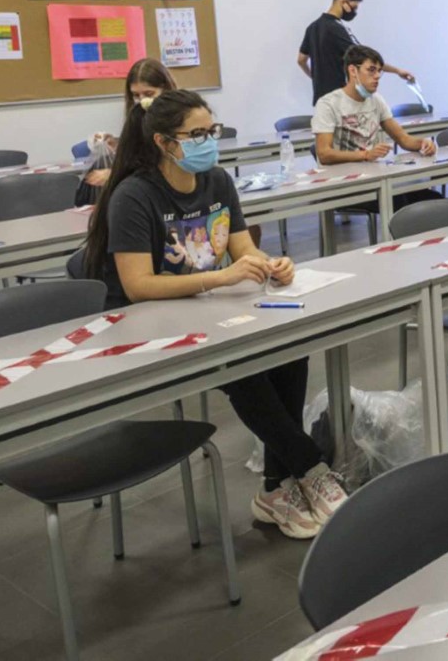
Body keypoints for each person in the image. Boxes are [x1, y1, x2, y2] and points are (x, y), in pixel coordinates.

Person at [82, 89, 347, 540]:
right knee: (243, 366)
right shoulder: (134, 195)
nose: (208, 142)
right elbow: (137, 286)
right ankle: (310, 467)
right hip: (146, 323)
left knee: (289, 348)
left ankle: (275, 490)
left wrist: (270, 264)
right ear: (166, 143)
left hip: (202, 308)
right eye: (197, 134)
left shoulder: (218, 182)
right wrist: (220, 280)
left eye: (212, 131)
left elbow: (241, 246)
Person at [313, 44, 441, 210]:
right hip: (342, 183)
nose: (377, 76)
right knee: (400, 203)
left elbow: (402, 139)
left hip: (374, 177)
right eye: (371, 70)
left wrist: (423, 143)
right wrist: (366, 154)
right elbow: (324, 154)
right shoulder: (328, 104)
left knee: (431, 199)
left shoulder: (376, 100)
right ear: (353, 71)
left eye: (379, 71)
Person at [77, 59, 178, 204]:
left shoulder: (179, 121)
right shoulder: (138, 119)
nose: (142, 101)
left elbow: (164, 165)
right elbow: (141, 154)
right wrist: (119, 145)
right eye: (136, 95)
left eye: (149, 94)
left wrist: (114, 175)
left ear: (166, 89)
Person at [297, 0, 416, 105]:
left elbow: (301, 60)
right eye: (354, 7)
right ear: (343, 2)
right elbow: (364, 58)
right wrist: (397, 71)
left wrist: (315, 78)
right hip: (338, 99)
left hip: (321, 99)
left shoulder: (312, 27)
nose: (354, 12)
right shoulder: (334, 28)